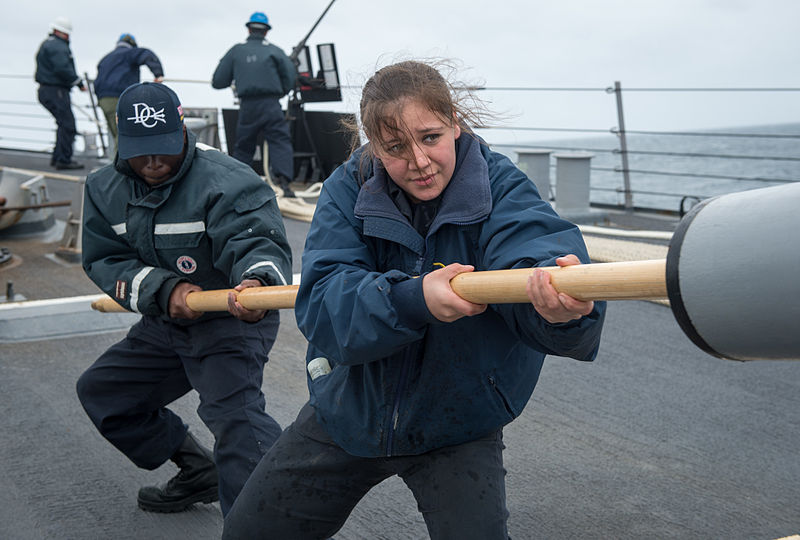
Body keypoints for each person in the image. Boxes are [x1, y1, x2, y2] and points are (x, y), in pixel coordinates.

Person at [223, 60, 607, 539]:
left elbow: (534, 247)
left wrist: (562, 310)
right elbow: (323, 302)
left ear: (455, 123)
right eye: (396, 147)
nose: (420, 161)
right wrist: (411, 300)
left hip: (459, 417)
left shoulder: (500, 185)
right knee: (248, 532)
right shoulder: (347, 188)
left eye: (430, 137)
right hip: (352, 405)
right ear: (373, 146)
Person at [75, 82, 292, 516]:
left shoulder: (227, 180)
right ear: (122, 143)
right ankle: (197, 470)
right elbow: (105, 259)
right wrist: (164, 290)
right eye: (141, 151)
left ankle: (266, 526)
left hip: (229, 319)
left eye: (164, 148)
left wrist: (256, 285)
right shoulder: (102, 189)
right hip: (165, 320)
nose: (154, 161)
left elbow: (257, 244)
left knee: (237, 423)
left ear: (182, 131)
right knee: (104, 394)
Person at [212, 11, 297, 197]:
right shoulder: (275, 51)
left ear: (249, 29)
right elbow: (290, 77)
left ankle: (237, 185)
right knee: (279, 140)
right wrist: (279, 92)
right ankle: (285, 186)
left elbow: (218, 81)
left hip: (248, 106)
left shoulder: (236, 51)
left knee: (243, 145)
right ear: (266, 31)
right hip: (271, 105)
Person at [94, 33, 164, 150]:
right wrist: (158, 74)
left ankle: (117, 164)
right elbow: (146, 54)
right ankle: (120, 167)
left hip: (103, 100)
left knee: (116, 133)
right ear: (132, 44)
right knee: (124, 135)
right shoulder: (128, 53)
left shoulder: (105, 59)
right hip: (119, 98)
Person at [34, 16, 86, 170]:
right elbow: (62, 68)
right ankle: (63, 160)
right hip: (56, 90)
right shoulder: (58, 46)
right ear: (61, 32)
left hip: (47, 90)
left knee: (63, 124)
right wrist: (79, 82)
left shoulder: (47, 44)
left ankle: (58, 157)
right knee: (68, 125)